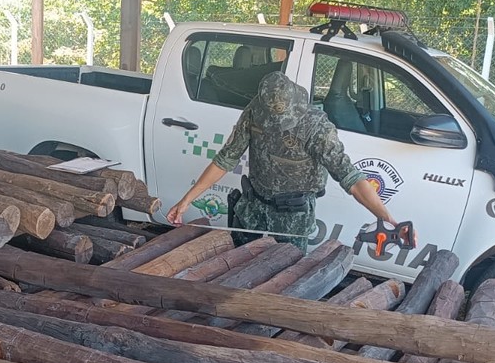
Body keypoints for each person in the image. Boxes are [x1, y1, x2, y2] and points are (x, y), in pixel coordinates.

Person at [166, 71, 414, 252]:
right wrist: (186, 201)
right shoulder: (255, 110)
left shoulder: (316, 127)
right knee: (238, 267)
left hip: (292, 217)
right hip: (252, 208)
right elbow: (225, 159)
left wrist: (389, 219)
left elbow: (351, 179)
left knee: (285, 276)